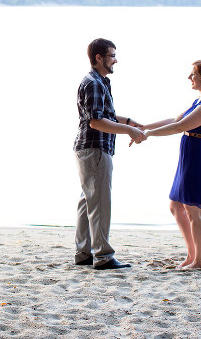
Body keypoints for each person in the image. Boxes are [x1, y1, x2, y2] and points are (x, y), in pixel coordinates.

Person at [140, 59, 201, 270]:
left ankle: (200, 262)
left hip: (199, 157)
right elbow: (173, 120)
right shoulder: (199, 101)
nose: (190, 78)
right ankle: (192, 255)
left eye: (193, 74)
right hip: (189, 155)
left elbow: (180, 127)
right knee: (176, 206)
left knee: (194, 210)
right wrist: (142, 127)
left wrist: (149, 135)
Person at [74, 38, 146, 270]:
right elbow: (96, 122)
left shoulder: (100, 81)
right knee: (100, 202)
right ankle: (103, 256)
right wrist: (128, 130)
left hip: (89, 148)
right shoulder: (94, 83)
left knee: (88, 201)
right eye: (112, 55)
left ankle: (84, 253)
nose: (116, 59)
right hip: (95, 148)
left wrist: (128, 122)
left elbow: (104, 115)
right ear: (99, 57)